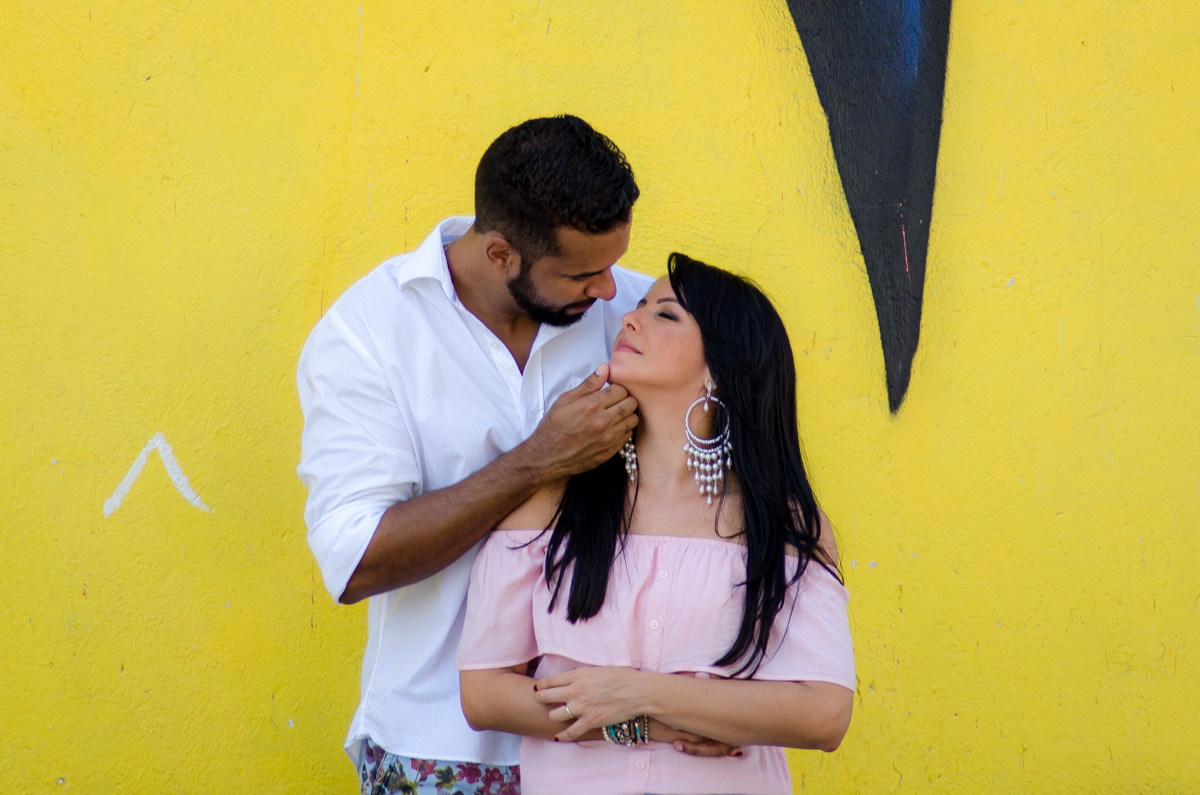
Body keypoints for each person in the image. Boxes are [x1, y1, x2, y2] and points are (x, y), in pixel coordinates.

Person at [297, 115, 653, 793]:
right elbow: (356, 558)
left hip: (610, 743)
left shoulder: (636, 315)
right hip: (441, 749)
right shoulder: (368, 334)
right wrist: (538, 460)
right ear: (500, 255)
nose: (608, 289)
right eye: (582, 273)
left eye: (611, 264)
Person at [456, 254, 856, 795]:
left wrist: (644, 693)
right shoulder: (554, 499)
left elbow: (825, 714)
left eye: (665, 315)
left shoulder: (781, 523)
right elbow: (484, 693)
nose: (630, 320)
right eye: (639, 308)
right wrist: (653, 725)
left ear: (722, 364)